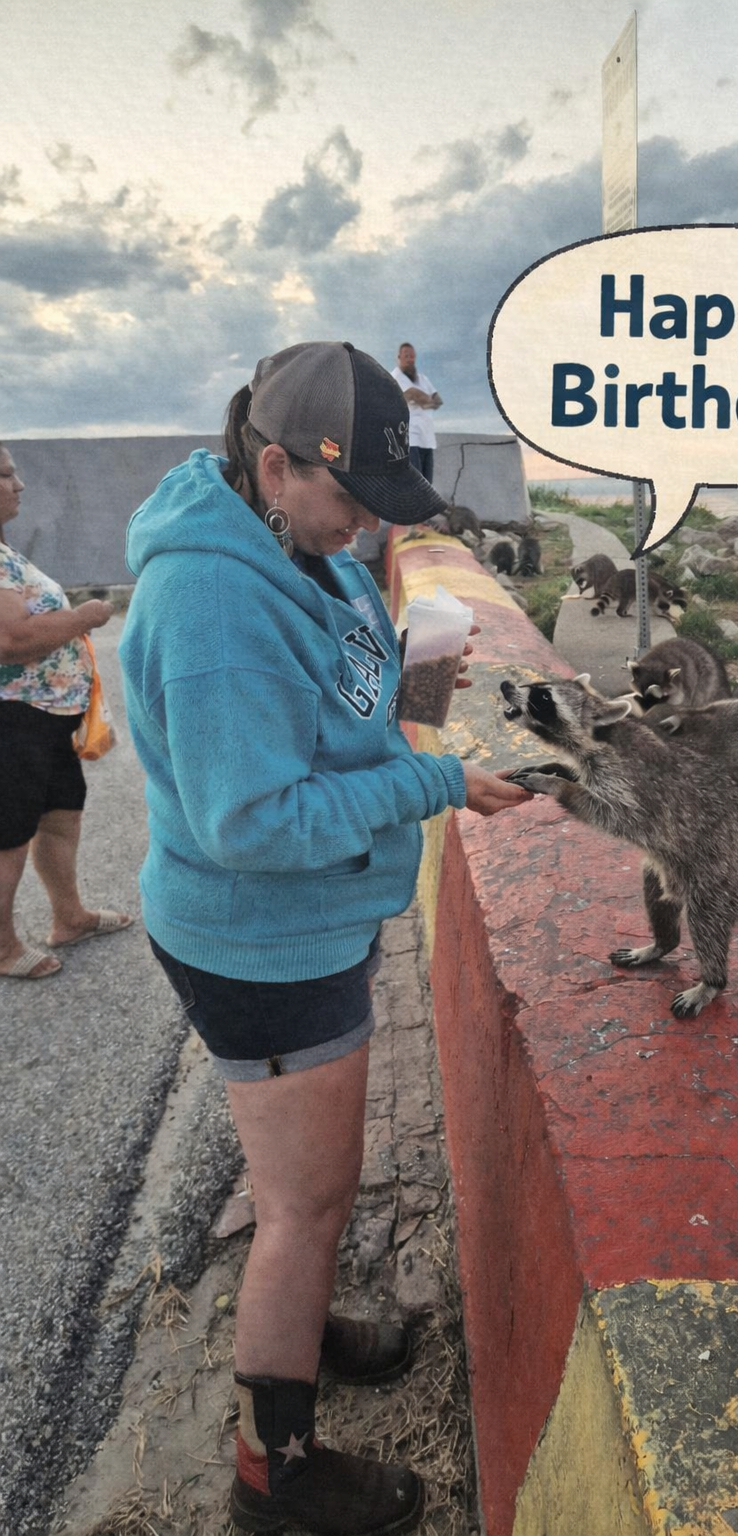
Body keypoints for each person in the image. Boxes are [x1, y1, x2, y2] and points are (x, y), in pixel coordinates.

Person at [118, 341, 530, 1536]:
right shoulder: (212, 599)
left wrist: (418, 702)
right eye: (347, 497)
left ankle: (295, 1335)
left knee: (303, 1189)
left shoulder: (298, 543)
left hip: (312, 919)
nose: (362, 529)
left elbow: (340, 697)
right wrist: (433, 785)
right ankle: (274, 1471)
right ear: (271, 463)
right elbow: (250, 821)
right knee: (306, 1204)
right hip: (262, 938)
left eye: (379, 506)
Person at [0, 444, 132, 980]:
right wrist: (85, 616)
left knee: (59, 816)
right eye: (7, 475)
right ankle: (3, 947)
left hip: (44, 717)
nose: (20, 484)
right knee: (8, 833)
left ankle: (68, 917)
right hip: (13, 719)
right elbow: (11, 639)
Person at [391, 342, 441, 485]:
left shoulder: (423, 379)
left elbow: (437, 401)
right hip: (409, 439)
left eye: (412, 356)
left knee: (428, 485)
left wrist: (421, 399)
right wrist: (424, 398)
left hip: (427, 439)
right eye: (406, 355)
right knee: (415, 485)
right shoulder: (394, 377)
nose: (410, 359)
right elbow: (410, 394)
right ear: (399, 357)